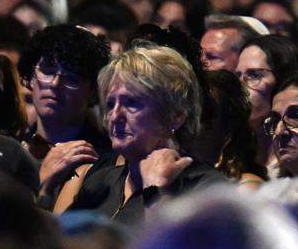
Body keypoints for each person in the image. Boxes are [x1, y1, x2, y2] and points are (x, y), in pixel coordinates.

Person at [66, 43, 227, 224]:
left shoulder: (205, 190)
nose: (115, 115)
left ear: (175, 116)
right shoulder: (100, 182)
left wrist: (155, 193)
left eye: (132, 102)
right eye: (111, 104)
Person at [23, 23, 113, 212]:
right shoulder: (9, 149)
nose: (55, 84)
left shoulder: (108, 160)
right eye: (47, 70)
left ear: (93, 92)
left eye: (71, 78)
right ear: (30, 76)